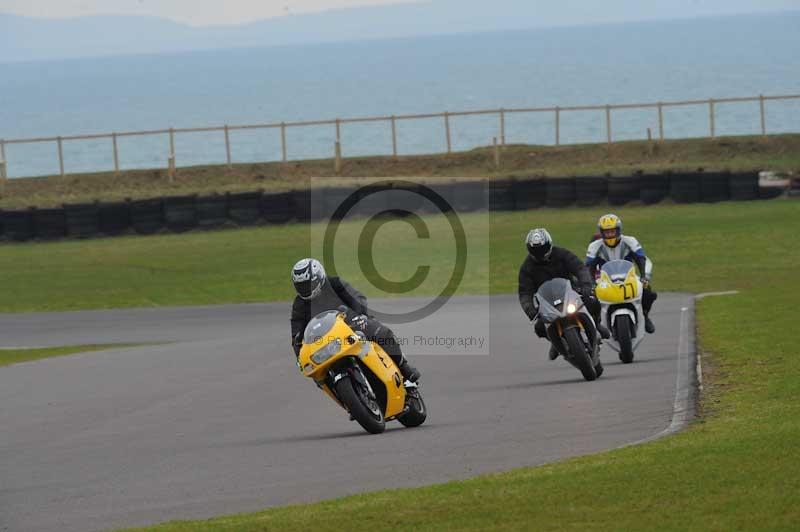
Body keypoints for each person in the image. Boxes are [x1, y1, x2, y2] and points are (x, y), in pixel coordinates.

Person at [289, 258, 420, 382]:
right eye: (301, 286)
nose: (305, 289)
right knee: (317, 374)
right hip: (326, 342)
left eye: (308, 284)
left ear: (319, 277)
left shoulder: (334, 283)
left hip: (352, 324)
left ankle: (404, 368)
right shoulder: (299, 304)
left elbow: (356, 297)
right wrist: (300, 356)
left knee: (381, 333)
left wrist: (361, 313)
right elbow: (297, 335)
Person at [518, 228, 609, 360]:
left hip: (570, 291)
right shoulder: (527, 267)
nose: (540, 253)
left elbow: (579, 268)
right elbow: (524, 292)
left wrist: (586, 285)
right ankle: (555, 342)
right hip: (547, 301)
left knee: (592, 301)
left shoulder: (561, 254)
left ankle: (597, 324)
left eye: (542, 249)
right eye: (536, 250)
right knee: (539, 327)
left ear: (549, 244)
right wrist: (530, 311)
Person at [586, 214, 657, 333]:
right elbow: (589, 267)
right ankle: (597, 323)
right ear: (602, 232)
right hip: (604, 279)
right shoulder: (594, 246)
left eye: (612, 231)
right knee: (590, 298)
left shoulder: (630, 241)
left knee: (648, 292)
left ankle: (645, 316)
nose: (610, 235)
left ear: (618, 230)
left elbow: (640, 258)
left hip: (629, 276)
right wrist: (592, 284)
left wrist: (644, 276)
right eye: (607, 232)